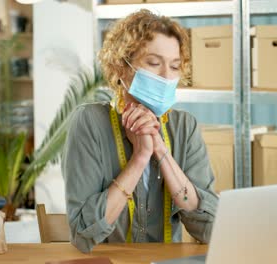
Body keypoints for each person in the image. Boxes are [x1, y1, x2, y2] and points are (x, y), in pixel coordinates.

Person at [62, 9, 219, 253]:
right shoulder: (89, 122)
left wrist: (160, 151)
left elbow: (209, 228)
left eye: (175, 66)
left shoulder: (185, 127)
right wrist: (140, 157)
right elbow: (83, 233)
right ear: (121, 67)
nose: (167, 76)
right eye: (154, 63)